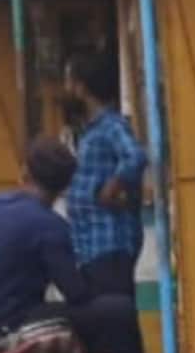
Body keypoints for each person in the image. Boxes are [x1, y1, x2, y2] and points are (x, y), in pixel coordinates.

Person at [0, 137, 146, 353]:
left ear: (25, 171)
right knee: (118, 310)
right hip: (17, 322)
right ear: (65, 186)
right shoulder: (49, 225)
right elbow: (76, 293)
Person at [62, 50, 149, 299]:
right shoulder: (89, 131)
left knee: (111, 314)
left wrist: (113, 186)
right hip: (90, 246)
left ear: (82, 88)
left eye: (69, 82)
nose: (66, 90)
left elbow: (135, 155)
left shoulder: (111, 125)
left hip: (108, 243)